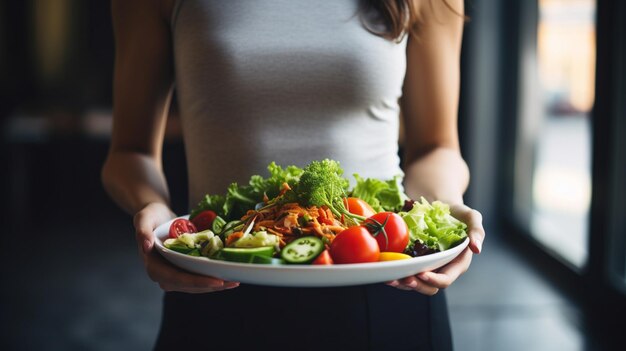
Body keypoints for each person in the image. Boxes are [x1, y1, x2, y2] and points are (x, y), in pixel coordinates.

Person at [102, 0, 485, 350]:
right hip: (218, 282)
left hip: (388, 283)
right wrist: (155, 211)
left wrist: (447, 205)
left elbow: (437, 148)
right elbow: (129, 153)